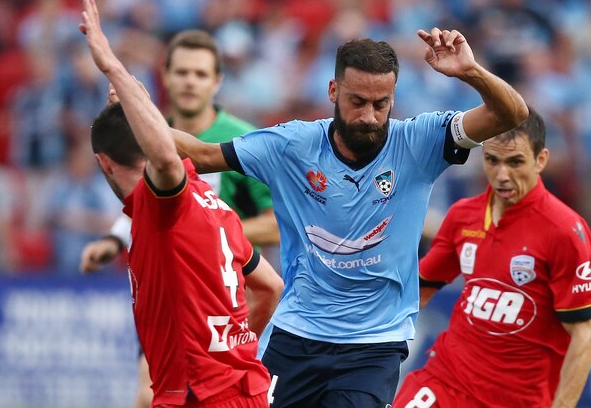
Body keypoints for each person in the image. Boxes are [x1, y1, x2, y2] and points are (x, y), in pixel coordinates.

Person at [171, 24, 529, 406]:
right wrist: (132, 110)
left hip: (373, 347)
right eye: (357, 102)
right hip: (296, 334)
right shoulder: (291, 145)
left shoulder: (421, 141)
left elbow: (511, 114)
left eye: (381, 104)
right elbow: (202, 153)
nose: (369, 117)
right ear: (333, 91)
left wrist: (471, 73)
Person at [78, 0, 283, 407]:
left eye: (200, 73)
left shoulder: (230, 146)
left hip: (199, 378)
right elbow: (271, 286)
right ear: (166, 79)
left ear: (216, 81)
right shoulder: (203, 190)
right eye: (182, 72)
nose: (190, 81)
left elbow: (163, 175)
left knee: (147, 389)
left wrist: (112, 68)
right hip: (234, 372)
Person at [393, 108, 591, 408]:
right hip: (445, 381)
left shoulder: (564, 230)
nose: (502, 175)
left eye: (515, 162)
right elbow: (415, 293)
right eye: (493, 160)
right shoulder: (463, 215)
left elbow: (584, 335)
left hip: (516, 399)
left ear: (541, 160)